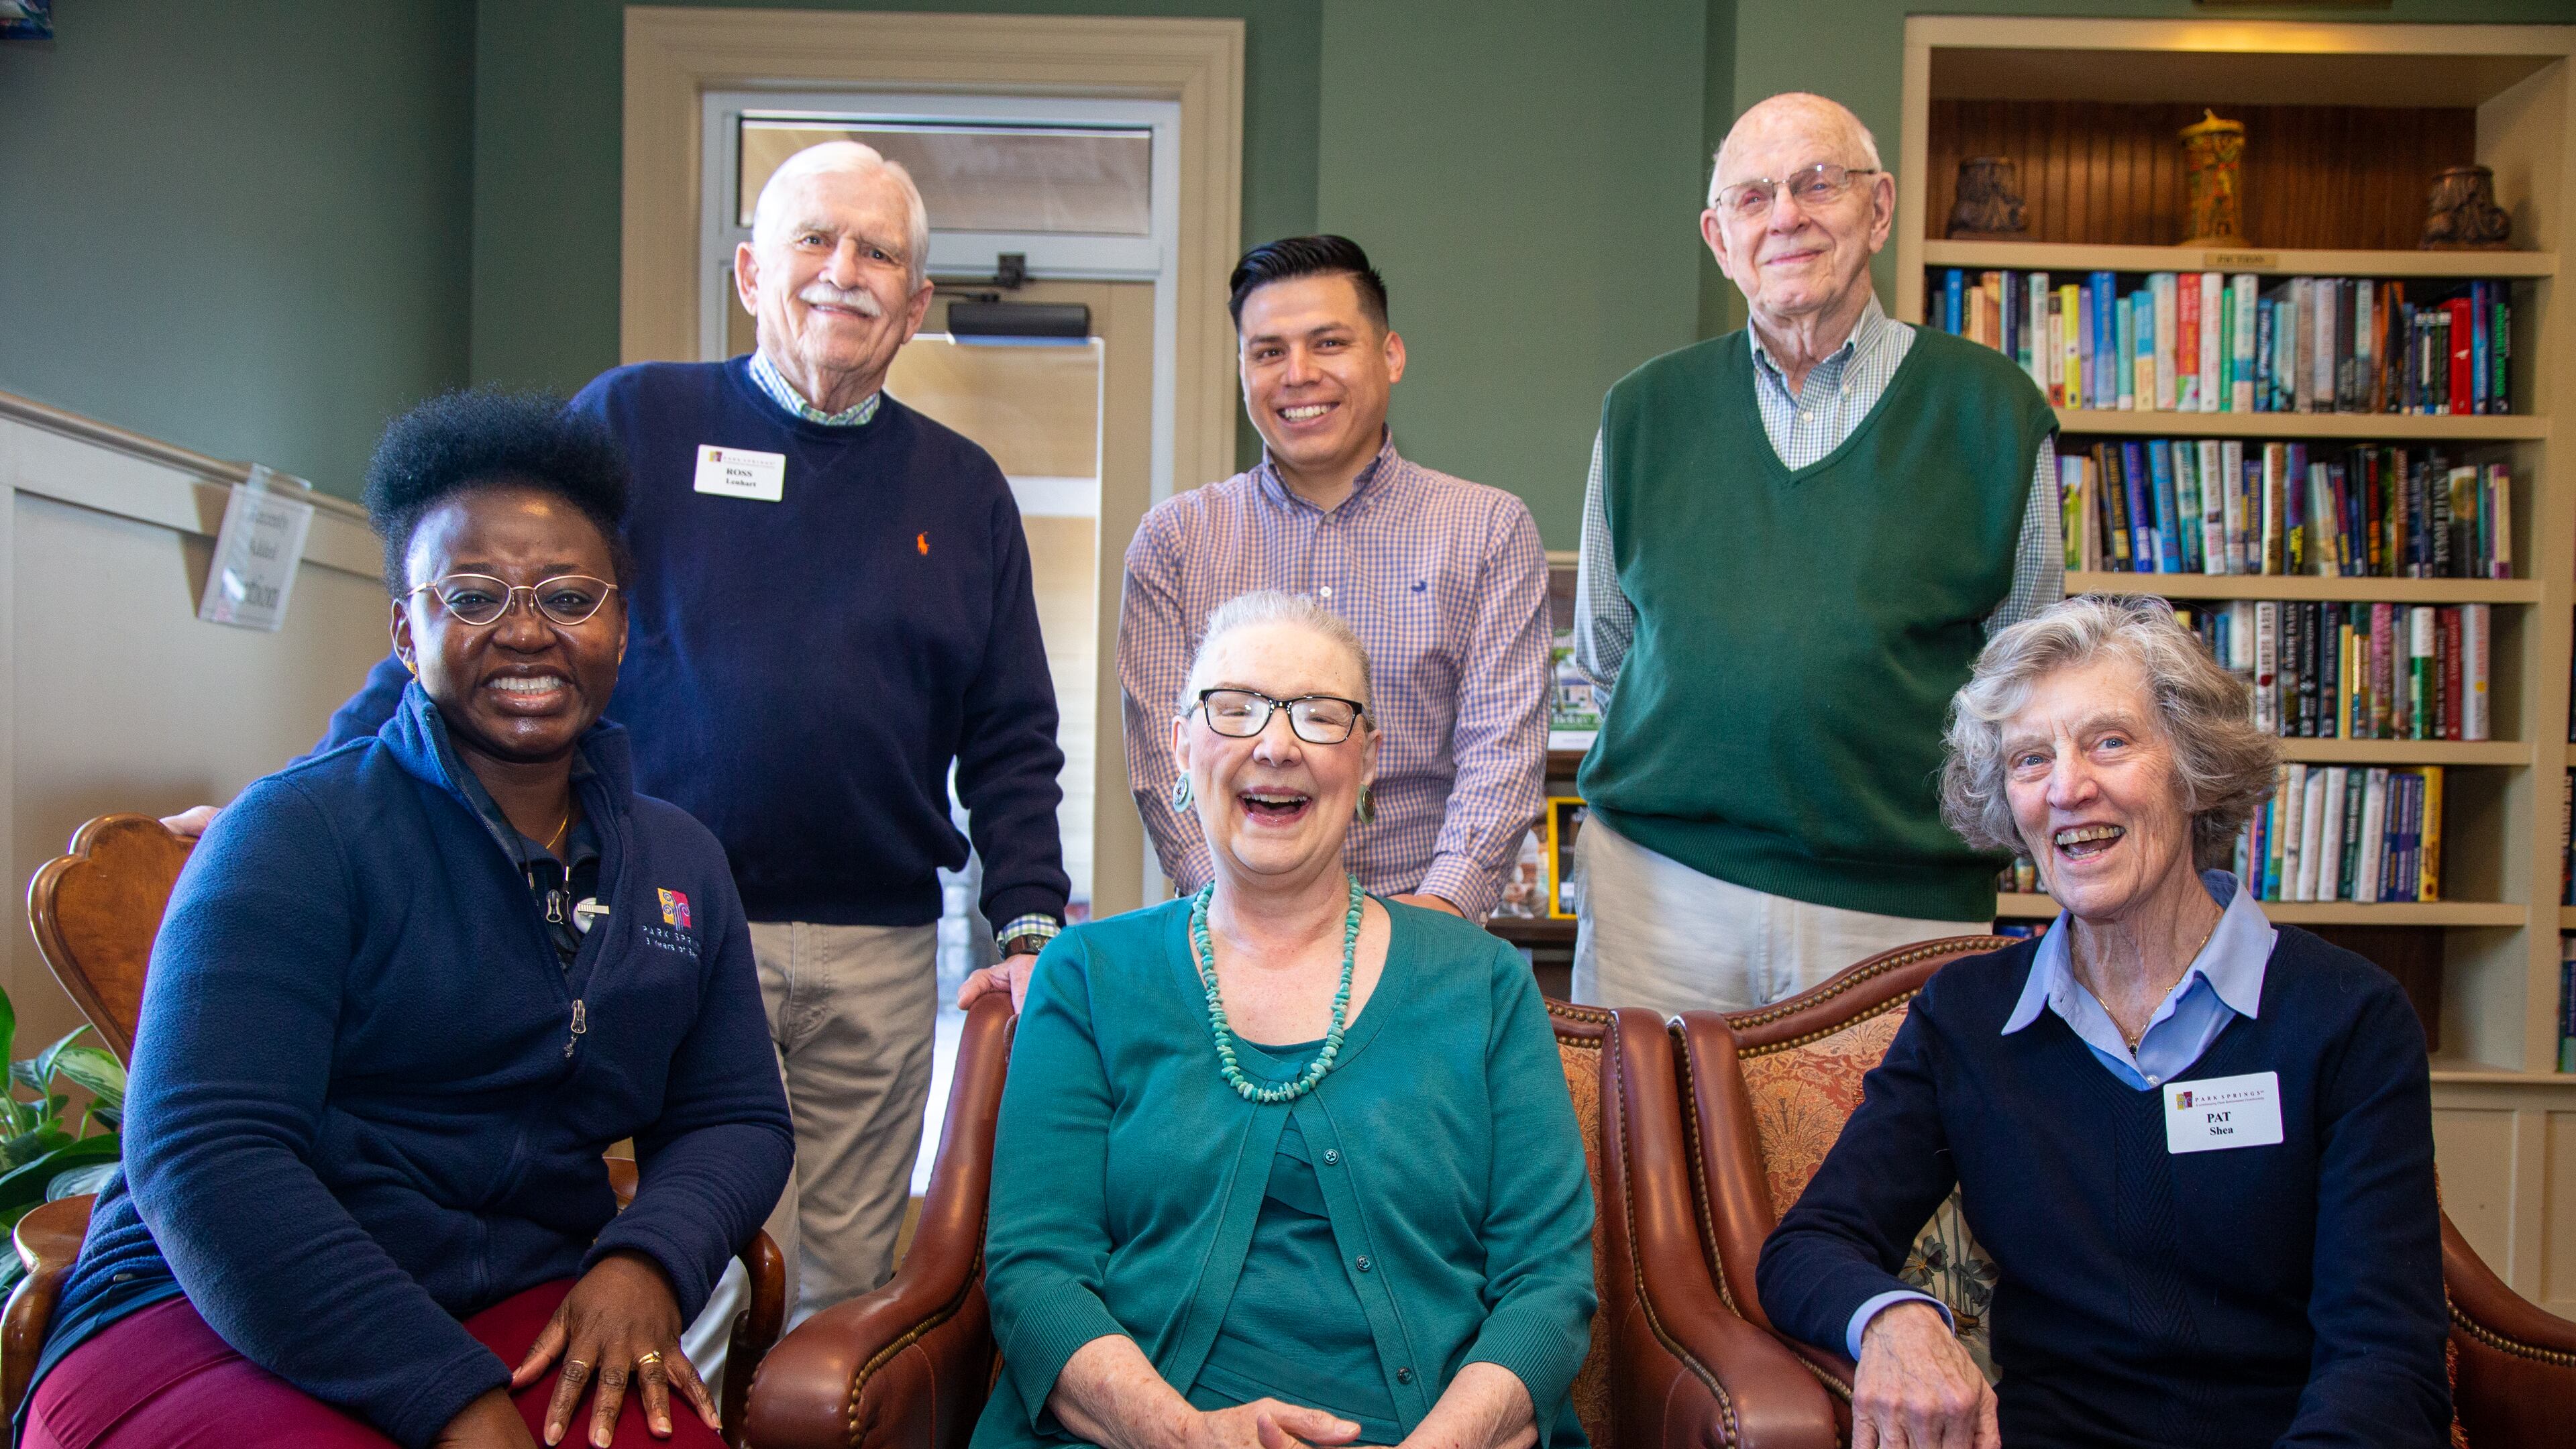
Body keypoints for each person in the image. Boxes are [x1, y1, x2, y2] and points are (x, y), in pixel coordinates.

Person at [178, 140, 1071, 1329]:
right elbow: (476, 624)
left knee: (848, 1283)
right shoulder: (638, 418)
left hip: (878, 946)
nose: (842, 272)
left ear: (915, 306)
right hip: (656, 920)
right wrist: (283, 806)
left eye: (879, 254)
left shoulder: (963, 489)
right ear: (752, 271)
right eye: (814, 239)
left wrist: (1027, 919)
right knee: (684, 1251)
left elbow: (1011, 734)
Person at [25, 392, 794, 1449]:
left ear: (623, 622)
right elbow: (206, 1156)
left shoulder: (681, 864)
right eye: (472, 596)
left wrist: (644, 1258)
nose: (526, 630)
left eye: (570, 596)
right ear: (406, 628)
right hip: (217, 1306)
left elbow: (734, 1117)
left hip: (522, 1303)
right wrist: (452, 1401)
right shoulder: (293, 834)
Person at [1758, 595, 2449, 1448]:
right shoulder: (1969, 1020)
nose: (2067, 788)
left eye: (2110, 742)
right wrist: (1895, 1318)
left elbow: (2386, 1361)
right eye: (2029, 759)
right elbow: (1809, 1246)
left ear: (2194, 767)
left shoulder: (2349, 1018)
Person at [966, 590, 1594, 1449]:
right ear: (1181, 745)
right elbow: (1035, 1276)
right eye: (1236, 708)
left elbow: (1548, 1286)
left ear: (1369, 761)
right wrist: (1184, 1436)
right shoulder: (1088, 976)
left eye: (1320, 716)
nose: (1275, 744)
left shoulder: (1481, 984)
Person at [1570, 92, 2061, 1016]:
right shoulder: (1642, 412)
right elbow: (1606, 652)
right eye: (1753, 198)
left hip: (1901, 907)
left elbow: (2024, 675)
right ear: (1719, 237)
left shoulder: (1991, 412)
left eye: (1817, 184)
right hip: (1663, 894)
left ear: (1877, 210)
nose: (1786, 215)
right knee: (1656, 1154)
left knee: (1890, 1163)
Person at [1119, 235, 1549, 935]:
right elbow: (1163, 769)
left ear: (1391, 356)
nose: (1298, 374)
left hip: (1423, 935)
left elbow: (1501, 754)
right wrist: (1237, 912)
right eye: (1268, 352)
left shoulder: (1487, 531)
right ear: (1242, 369)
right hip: (1228, 946)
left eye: (1328, 344)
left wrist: (1438, 917)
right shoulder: (1175, 542)